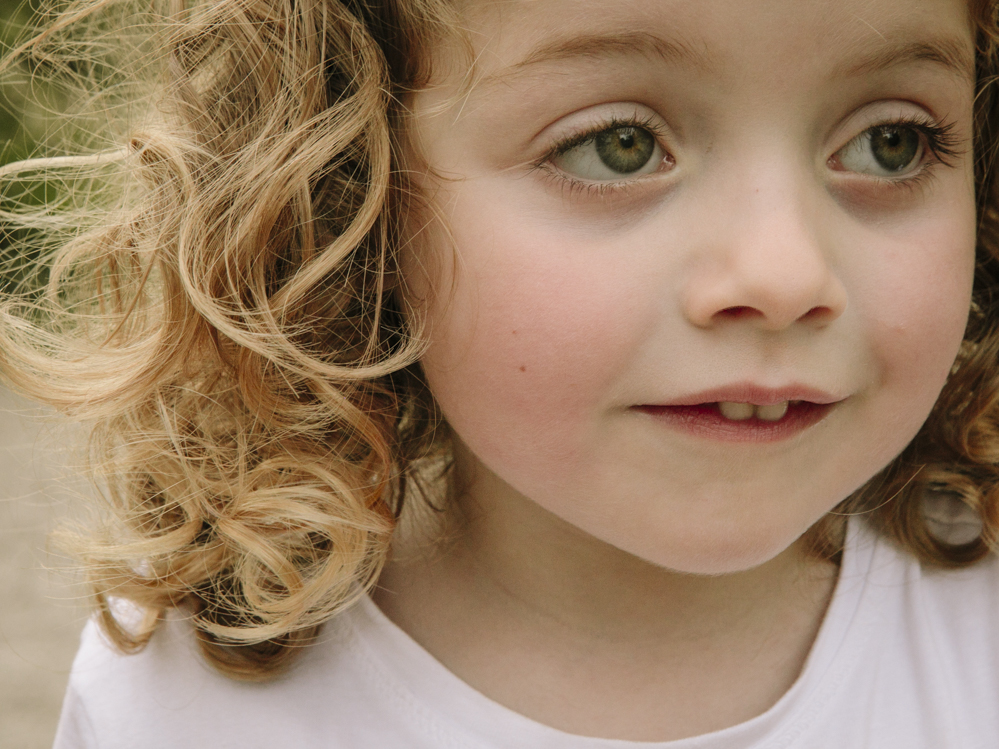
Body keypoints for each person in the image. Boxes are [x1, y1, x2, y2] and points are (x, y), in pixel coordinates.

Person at [2, 0, 998, 745]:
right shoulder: (183, 701)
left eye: (890, 141)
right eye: (619, 146)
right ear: (349, 185)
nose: (785, 275)